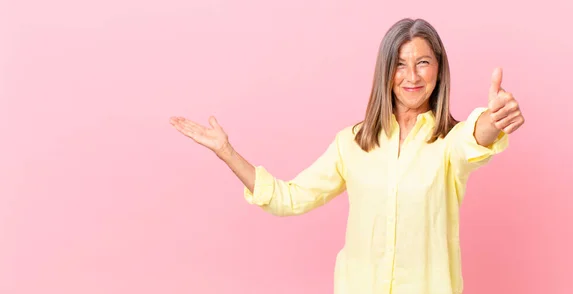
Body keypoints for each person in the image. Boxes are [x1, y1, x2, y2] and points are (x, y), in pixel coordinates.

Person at [169, 18, 525, 294]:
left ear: (439, 68)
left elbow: (473, 139)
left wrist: (493, 120)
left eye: (423, 62)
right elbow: (287, 198)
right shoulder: (351, 143)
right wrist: (227, 153)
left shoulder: (448, 142)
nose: (412, 76)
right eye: (400, 64)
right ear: (385, 72)